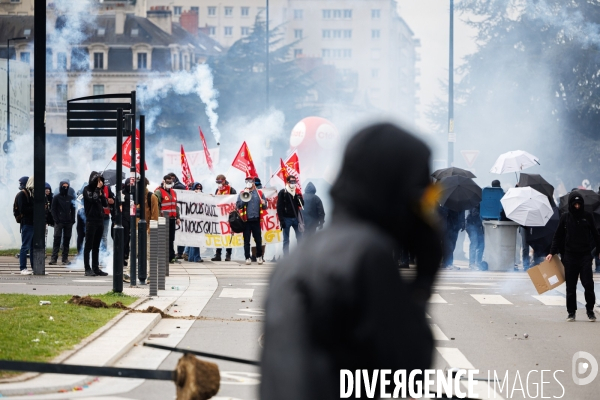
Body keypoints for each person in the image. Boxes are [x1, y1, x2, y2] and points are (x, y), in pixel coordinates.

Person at [260, 123, 442, 399]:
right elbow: (407, 366)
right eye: (420, 191)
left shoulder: (304, 253)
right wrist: (425, 275)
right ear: (394, 185)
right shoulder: (367, 255)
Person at [547, 191, 600, 322]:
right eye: (575, 204)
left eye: (579, 204)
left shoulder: (587, 216)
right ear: (571, 204)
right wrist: (551, 252)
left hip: (585, 256)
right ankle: (571, 312)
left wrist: (598, 250)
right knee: (571, 286)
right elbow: (557, 236)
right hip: (569, 256)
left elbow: (595, 234)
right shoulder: (565, 217)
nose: (577, 207)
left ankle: (590, 310)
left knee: (588, 284)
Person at [82, 171, 109, 277]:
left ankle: (95, 267)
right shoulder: (87, 189)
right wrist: (97, 189)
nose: (100, 183)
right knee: (88, 246)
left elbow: (105, 203)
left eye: (100, 181)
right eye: (97, 181)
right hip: (91, 221)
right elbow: (92, 199)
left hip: (100, 220)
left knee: (96, 246)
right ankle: (87, 268)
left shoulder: (100, 191)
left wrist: (102, 195)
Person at [237, 175, 267, 265]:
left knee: (258, 239)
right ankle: (247, 257)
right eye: (247, 182)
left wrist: (264, 203)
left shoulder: (260, 193)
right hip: (246, 220)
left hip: (256, 220)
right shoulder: (242, 192)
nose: (248, 183)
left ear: (254, 183)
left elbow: (265, 206)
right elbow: (238, 205)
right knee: (246, 240)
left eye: (250, 181)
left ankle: (259, 256)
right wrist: (245, 198)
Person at [154, 175, 180, 263]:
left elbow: (176, 206)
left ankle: (171, 256)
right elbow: (156, 206)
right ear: (163, 182)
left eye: (171, 182)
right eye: (168, 182)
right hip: (163, 218)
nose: (169, 184)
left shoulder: (173, 192)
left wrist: (178, 217)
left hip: (172, 218)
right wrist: (158, 218)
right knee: (163, 238)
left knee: (171, 238)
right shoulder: (159, 192)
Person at [49, 180, 75, 265]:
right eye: (64, 186)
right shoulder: (56, 197)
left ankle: (65, 258)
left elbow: (73, 209)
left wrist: (72, 219)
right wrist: (56, 219)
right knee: (57, 239)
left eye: (67, 187)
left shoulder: (70, 197)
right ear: (60, 187)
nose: (65, 188)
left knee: (66, 240)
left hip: (68, 222)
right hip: (59, 222)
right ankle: (54, 258)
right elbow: (53, 209)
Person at [276, 176, 304, 255]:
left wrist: (300, 198)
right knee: (286, 239)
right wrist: (281, 220)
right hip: (286, 219)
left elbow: (302, 205)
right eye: (291, 182)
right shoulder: (283, 192)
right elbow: (279, 207)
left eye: (294, 182)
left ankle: (300, 255)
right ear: (287, 182)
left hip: (295, 218)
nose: (293, 183)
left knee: (299, 238)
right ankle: (286, 257)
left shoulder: (296, 192)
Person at [211, 174, 236, 261]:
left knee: (229, 235)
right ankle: (218, 254)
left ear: (224, 181)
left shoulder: (231, 190)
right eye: (217, 182)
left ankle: (228, 255)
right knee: (219, 235)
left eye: (220, 182)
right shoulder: (217, 190)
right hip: (219, 216)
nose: (219, 184)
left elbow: (234, 202)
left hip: (229, 216)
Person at [14, 176, 34, 275]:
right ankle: (23, 268)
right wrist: (35, 207)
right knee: (25, 246)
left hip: (34, 223)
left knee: (33, 247)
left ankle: (35, 268)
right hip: (27, 223)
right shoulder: (22, 194)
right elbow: (23, 209)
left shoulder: (31, 194)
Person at [188, 183, 204, 263]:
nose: (198, 190)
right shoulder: (190, 196)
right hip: (192, 220)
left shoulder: (202, 196)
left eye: (200, 188)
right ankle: (196, 257)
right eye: (196, 188)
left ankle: (191, 257)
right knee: (195, 239)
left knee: (194, 239)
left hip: (198, 220)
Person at [466, 204, 485, 270]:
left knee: (481, 244)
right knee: (474, 243)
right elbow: (474, 214)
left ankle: (478, 263)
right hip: (472, 224)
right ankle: (472, 263)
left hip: (477, 225)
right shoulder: (475, 203)